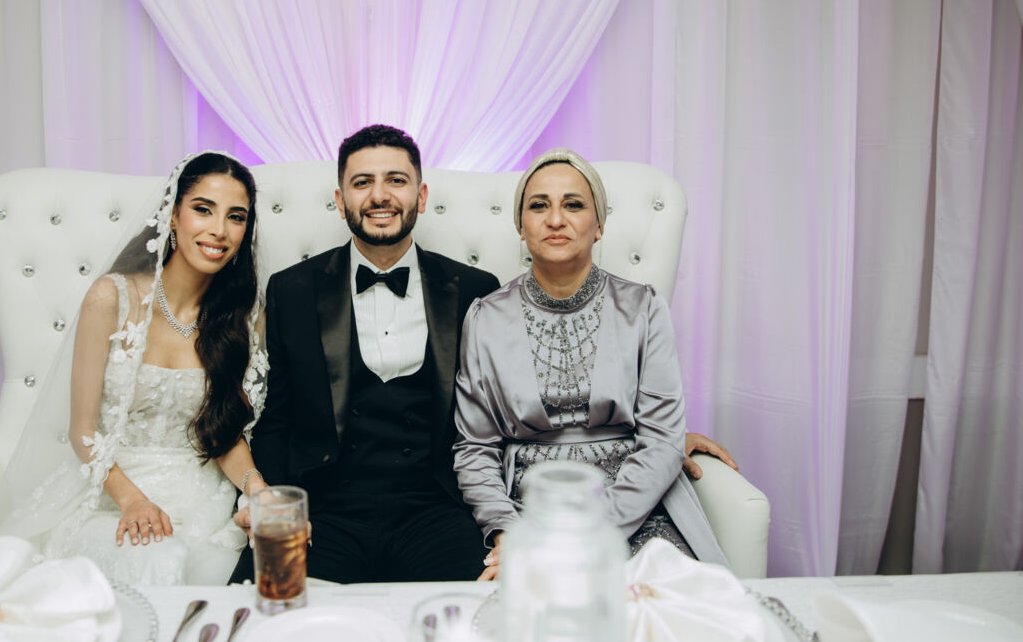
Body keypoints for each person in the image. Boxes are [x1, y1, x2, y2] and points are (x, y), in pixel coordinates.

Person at [453, 148, 731, 580]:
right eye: (539, 205)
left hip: (634, 510)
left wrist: (590, 534)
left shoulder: (643, 308)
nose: (556, 219)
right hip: (528, 511)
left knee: (658, 607)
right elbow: (474, 446)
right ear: (521, 227)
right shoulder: (485, 316)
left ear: (598, 225)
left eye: (574, 205)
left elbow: (662, 442)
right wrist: (505, 531)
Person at [237, 125, 499, 583]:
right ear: (341, 201)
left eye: (396, 180)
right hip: (326, 512)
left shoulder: (475, 290)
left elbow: (493, 423)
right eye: (362, 183)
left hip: (435, 511)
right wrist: (275, 505)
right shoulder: (292, 290)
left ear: (421, 196)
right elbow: (276, 420)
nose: (380, 195)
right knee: (252, 612)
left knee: (492, 615)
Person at [0, 152, 269, 584]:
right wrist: (132, 501)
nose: (219, 229)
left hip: (203, 501)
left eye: (235, 217)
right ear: (173, 216)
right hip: (112, 493)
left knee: (224, 574)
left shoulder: (244, 318)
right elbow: (83, 430)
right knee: (158, 559)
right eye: (203, 209)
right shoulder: (111, 298)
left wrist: (257, 487)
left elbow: (222, 432)